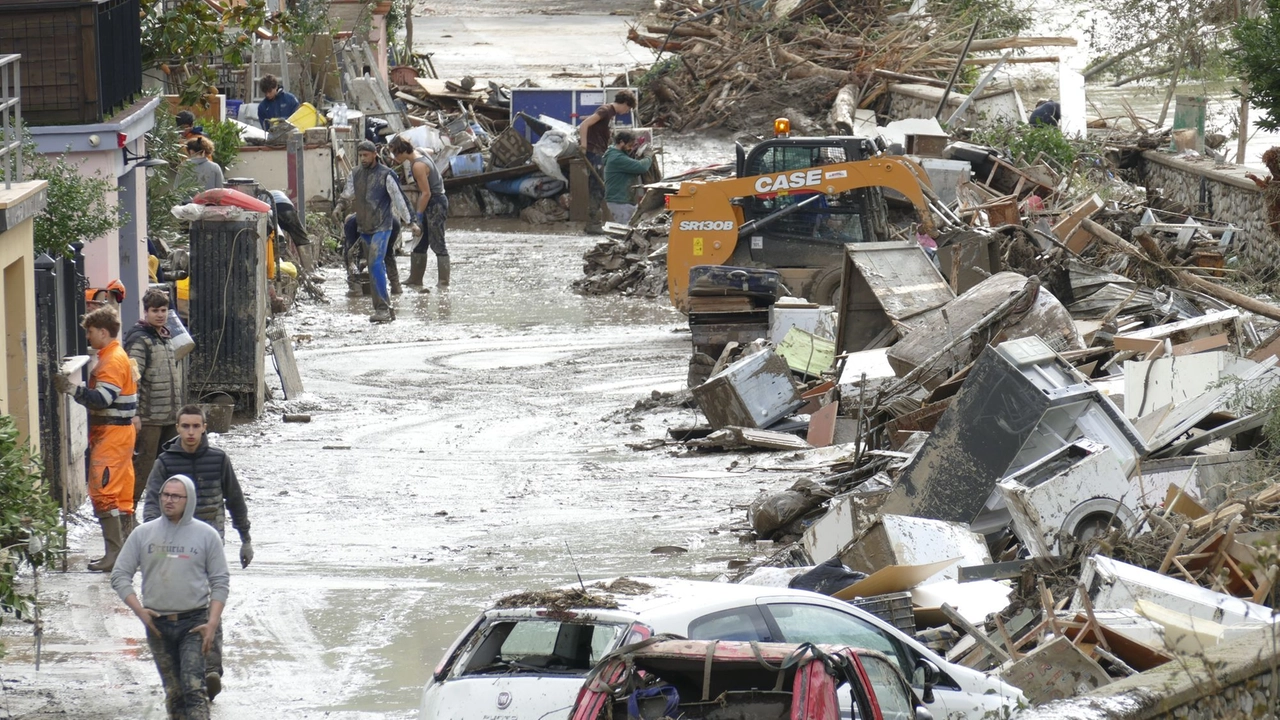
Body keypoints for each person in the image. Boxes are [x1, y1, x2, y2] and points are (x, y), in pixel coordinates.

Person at [142, 404, 252, 701]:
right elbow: (152, 502)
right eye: (185, 426)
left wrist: (245, 538)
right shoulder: (165, 463)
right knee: (179, 603)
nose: (191, 432)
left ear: (205, 427)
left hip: (209, 541)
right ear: (177, 428)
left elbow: (235, 499)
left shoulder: (218, 460)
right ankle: (182, 664)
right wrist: (153, 538)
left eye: (196, 426)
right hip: (174, 545)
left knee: (208, 601)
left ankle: (210, 669)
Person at [112, 474, 229, 719]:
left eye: (176, 496)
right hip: (158, 626)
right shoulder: (143, 534)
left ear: (189, 500)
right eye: (165, 495)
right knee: (174, 692)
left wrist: (212, 623)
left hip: (194, 623)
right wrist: (140, 611)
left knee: (194, 689)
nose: (169, 500)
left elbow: (220, 581)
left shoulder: (206, 536)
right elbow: (120, 575)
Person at [52, 307, 137, 572]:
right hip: (118, 434)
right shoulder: (116, 356)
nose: (87, 337)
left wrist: (72, 389)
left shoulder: (111, 361)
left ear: (103, 331)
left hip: (111, 435)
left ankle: (114, 555)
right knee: (121, 496)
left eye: (89, 332)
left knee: (104, 493)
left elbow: (103, 398)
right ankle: (124, 554)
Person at [336, 140, 412, 323]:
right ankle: (388, 308)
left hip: (383, 226)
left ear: (374, 155)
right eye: (360, 155)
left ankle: (383, 309)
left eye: (366, 155)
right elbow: (347, 194)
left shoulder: (386, 175)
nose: (362, 158)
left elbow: (400, 200)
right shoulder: (355, 174)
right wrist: (339, 206)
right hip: (364, 227)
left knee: (376, 263)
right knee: (375, 266)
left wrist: (411, 222)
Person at [124, 289, 182, 516]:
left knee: (170, 468)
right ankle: (128, 515)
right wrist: (135, 413)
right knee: (143, 468)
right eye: (155, 311)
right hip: (148, 418)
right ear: (146, 312)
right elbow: (132, 379)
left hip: (169, 416)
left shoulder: (165, 337)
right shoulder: (140, 339)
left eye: (163, 310)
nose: (160, 315)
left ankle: (163, 514)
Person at [389, 136, 450, 289]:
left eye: (396, 154)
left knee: (438, 242)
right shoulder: (420, 151)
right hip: (434, 199)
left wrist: (418, 215)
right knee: (420, 241)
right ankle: (415, 279)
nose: (395, 158)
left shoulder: (418, 166)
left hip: (435, 202)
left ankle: (443, 282)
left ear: (403, 151)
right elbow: (432, 150)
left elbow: (426, 193)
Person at [576, 90, 636, 235]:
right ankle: (593, 224)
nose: (625, 112)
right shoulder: (605, 110)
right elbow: (584, 125)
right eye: (627, 109)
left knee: (599, 186)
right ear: (624, 103)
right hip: (594, 152)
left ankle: (594, 222)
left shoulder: (609, 113)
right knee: (597, 187)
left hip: (599, 152)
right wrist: (584, 145)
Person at [342, 213, 402, 297]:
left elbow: (350, 252)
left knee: (352, 254)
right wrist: (366, 263)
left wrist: (354, 268)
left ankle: (355, 289)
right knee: (388, 252)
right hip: (392, 222)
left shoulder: (350, 223)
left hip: (377, 223)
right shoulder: (360, 215)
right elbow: (378, 251)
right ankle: (396, 286)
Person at [602, 130, 652, 225]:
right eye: (629, 145)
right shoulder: (617, 158)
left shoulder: (616, 154)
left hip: (623, 200)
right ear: (621, 142)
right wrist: (648, 157)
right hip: (620, 201)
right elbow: (642, 167)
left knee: (629, 229)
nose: (631, 148)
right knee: (624, 231)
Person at [268, 190, 317, 276]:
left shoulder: (263, 196)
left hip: (272, 210)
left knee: (274, 239)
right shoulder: (281, 195)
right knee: (302, 239)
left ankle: (277, 267)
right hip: (288, 208)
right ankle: (310, 272)